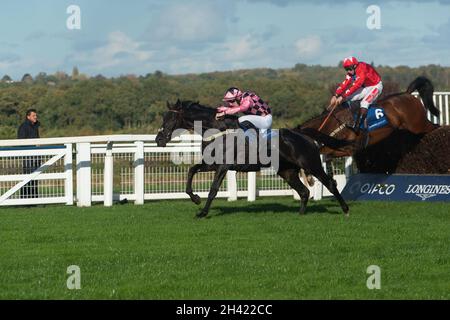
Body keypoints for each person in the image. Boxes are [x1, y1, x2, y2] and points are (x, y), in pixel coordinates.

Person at [330, 56, 383, 134]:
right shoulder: (351, 71)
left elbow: (356, 85)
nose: (348, 71)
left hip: (376, 86)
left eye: (349, 68)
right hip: (366, 87)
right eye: (346, 69)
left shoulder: (362, 68)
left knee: (364, 103)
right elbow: (345, 83)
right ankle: (347, 118)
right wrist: (336, 95)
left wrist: (342, 96)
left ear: (355, 66)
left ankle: (359, 127)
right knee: (347, 98)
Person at [18, 108, 41, 199]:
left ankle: (34, 198)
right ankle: (25, 198)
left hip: (36, 155)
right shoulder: (23, 126)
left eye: (36, 115)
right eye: (33, 115)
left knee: (35, 177)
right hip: (28, 155)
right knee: (27, 177)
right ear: (28, 117)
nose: (35, 117)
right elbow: (21, 141)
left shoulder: (35, 126)